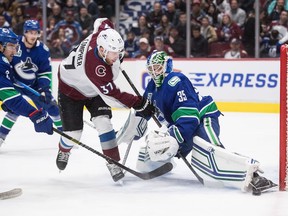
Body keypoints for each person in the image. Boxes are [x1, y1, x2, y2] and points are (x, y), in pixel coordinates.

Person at [134, 50, 277, 194]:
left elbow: (189, 118)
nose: (154, 72)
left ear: (167, 66)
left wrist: (175, 138)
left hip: (203, 117)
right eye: (151, 69)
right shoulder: (152, 87)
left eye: (157, 67)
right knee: (162, 143)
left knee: (211, 149)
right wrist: (133, 128)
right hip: (183, 125)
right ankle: (162, 160)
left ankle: (254, 176)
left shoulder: (177, 80)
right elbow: (146, 109)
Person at [55, 18, 155, 182]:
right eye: (113, 53)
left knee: (104, 122)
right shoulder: (96, 69)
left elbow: (101, 21)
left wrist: (111, 29)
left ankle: (113, 162)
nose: (117, 56)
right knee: (74, 134)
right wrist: (138, 103)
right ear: (101, 50)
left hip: (91, 88)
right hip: (71, 91)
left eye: (118, 52)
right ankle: (64, 149)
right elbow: (113, 96)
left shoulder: (102, 34)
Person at [0, 20, 62, 147]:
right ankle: (1, 137)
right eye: (30, 32)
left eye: (36, 33)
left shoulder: (43, 50)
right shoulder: (13, 42)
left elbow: (45, 72)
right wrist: (35, 114)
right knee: (14, 109)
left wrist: (44, 88)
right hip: (14, 84)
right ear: (25, 33)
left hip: (32, 86)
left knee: (50, 105)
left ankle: (66, 135)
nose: (33, 36)